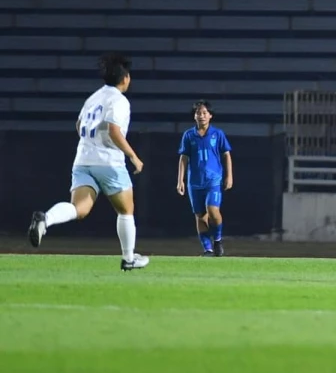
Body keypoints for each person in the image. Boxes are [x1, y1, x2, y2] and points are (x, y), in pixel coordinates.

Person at [28, 53, 150, 270]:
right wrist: (134, 156)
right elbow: (114, 130)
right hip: (109, 162)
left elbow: (78, 125)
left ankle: (45, 220)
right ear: (125, 78)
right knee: (126, 210)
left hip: (83, 160)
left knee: (79, 208)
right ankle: (129, 258)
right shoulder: (119, 101)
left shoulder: (93, 98)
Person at [176, 100, 234, 256]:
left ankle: (218, 240)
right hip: (194, 182)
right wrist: (180, 180)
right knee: (200, 216)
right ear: (194, 116)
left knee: (213, 210)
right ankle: (207, 249)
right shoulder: (189, 135)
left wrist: (229, 176)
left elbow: (226, 154)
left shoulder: (217, 134)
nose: (201, 116)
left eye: (204, 113)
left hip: (213, 180)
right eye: (198, 113)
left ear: (210, 116)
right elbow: (184, 158)